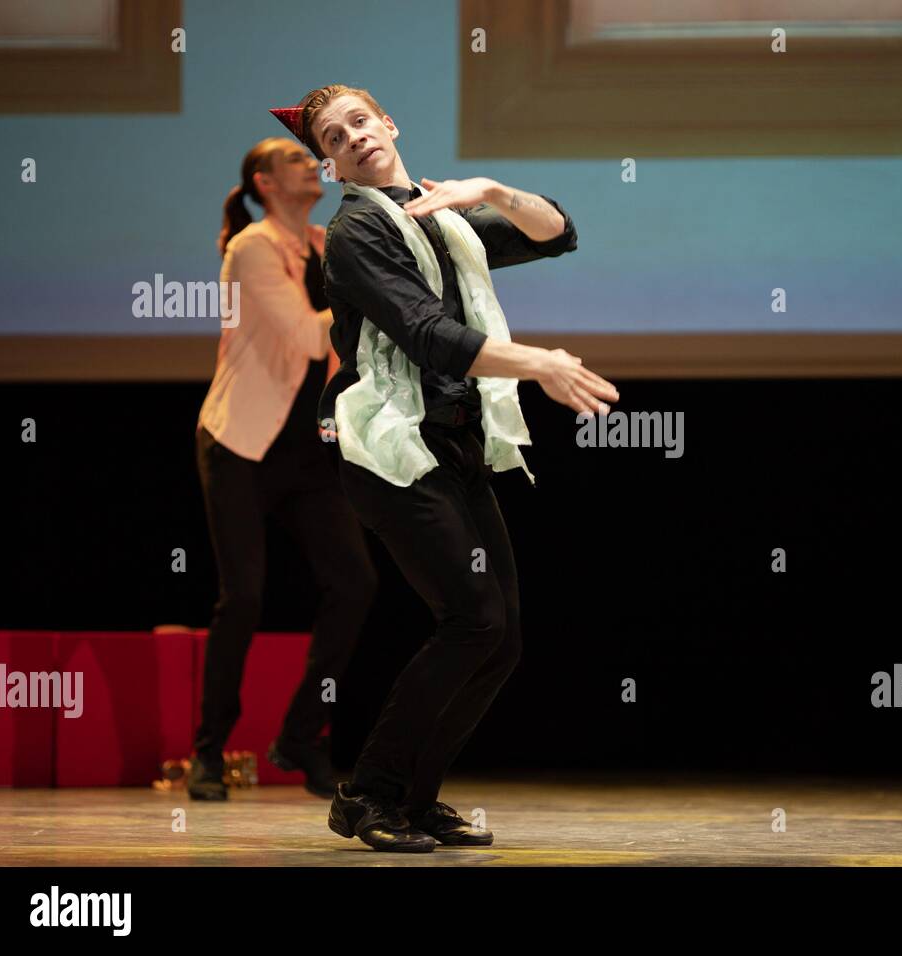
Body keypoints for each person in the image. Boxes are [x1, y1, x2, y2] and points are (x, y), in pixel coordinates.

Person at [267, 85, 619, 851]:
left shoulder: (439, 214)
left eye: (360, 121)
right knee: (473, 620)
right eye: (335, 136)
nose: (353, 137)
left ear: (388, 122)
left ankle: (411, 797)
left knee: (502, 636)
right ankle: (368, 796)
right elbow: (428, 336)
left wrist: (492, 189)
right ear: (330, 162)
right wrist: (539, 362)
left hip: (453, 441)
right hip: (390, 448)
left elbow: (557, 232)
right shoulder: (358, 231)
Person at [191, 137, 378, 801]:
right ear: (265, 183)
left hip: (306, 449)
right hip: (240, 440)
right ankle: (210, 753)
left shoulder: (327, 244)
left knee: (354, 584)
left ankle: (301, 735)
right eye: (296, 160)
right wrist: (369, 305)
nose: (311, 164)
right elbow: (306, 335)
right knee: (242, 595)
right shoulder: (251, 248)